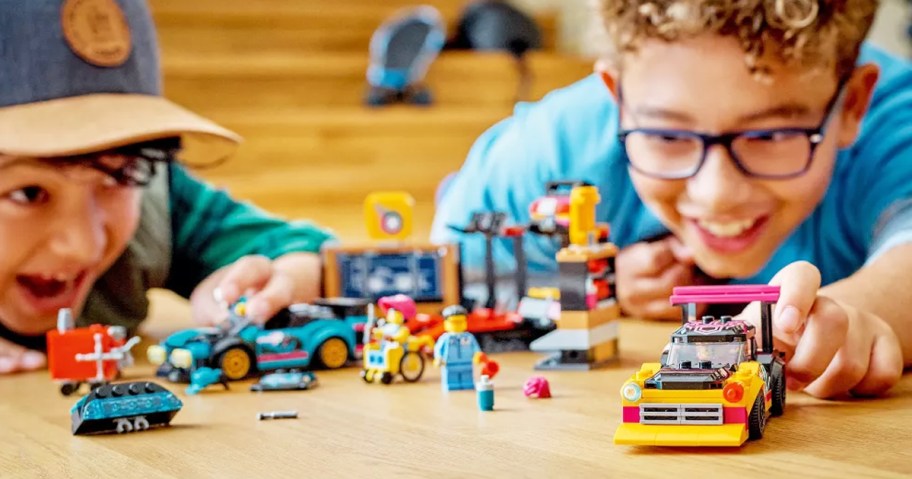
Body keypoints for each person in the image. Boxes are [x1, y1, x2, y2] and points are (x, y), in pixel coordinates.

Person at [432, 0, 912, 399]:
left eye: (771, 134)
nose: (717, 194)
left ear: (852, 104)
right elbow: (451, 275)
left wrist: (848, 311)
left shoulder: (897, 118)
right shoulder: (552, 146)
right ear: (617, 101)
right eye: (665, 134)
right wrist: (597, 283)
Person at [0, 0, 334, 373]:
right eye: (28, 193)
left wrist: (274, 284)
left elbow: (311, 252)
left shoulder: (157, 198)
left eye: (119, 176)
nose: (83, 244)